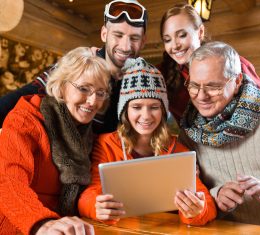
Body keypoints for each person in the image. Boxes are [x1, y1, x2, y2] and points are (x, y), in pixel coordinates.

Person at [77, 57, 217, 226]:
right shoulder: (106, 144)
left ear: (163, 110)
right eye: (136, 107)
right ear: (125, 111)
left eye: (154, 107)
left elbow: (206, 203)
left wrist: (197, 210)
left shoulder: (179, 151)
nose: (146, 116)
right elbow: (88, 195)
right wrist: (95, 207)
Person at [180, 41, 260, 230]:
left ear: (236, 81)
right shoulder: (189, 132)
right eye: (194, 85)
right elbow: (190, 194)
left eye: (213, 86)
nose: (201, 96)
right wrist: (215, 195)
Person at [0, 47, 111, 235]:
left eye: (100, 93)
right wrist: (42, 223)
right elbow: (8, 181)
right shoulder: (25, 120)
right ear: (61, 87)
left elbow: (89, 191)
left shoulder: (89, 136)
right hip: (20, 226)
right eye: (84, 89)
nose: (93, 101)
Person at [0, 0, 147, 133]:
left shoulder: (139, 83)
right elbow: (20, 98)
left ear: (143, 42)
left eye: (134, 38)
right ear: (104, 34)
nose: (125, 46)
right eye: (118, 35)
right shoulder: (81, 62)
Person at [159, 3, 260, 123]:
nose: (175, 46)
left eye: (182, 35)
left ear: (200, 32)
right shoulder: (164, 76)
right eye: (167, 39)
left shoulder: (232, 63)